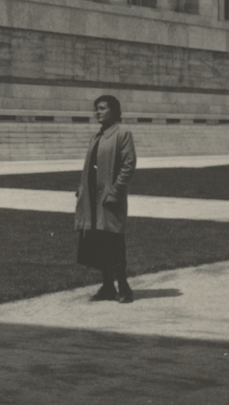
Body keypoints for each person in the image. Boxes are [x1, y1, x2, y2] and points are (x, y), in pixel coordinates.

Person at [75, 94, 137, 304]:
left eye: (102, 108)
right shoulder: (97, 136)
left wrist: (115, 192)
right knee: (99, 243)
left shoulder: (122, 133)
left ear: (114, 110)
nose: (97, 112)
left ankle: (124, 288)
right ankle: (108, 287)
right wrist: (82, 189)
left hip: (109, 200)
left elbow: (128, 165)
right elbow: (90, 168)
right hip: (93, 200)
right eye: (96, 109)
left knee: (113, 243)